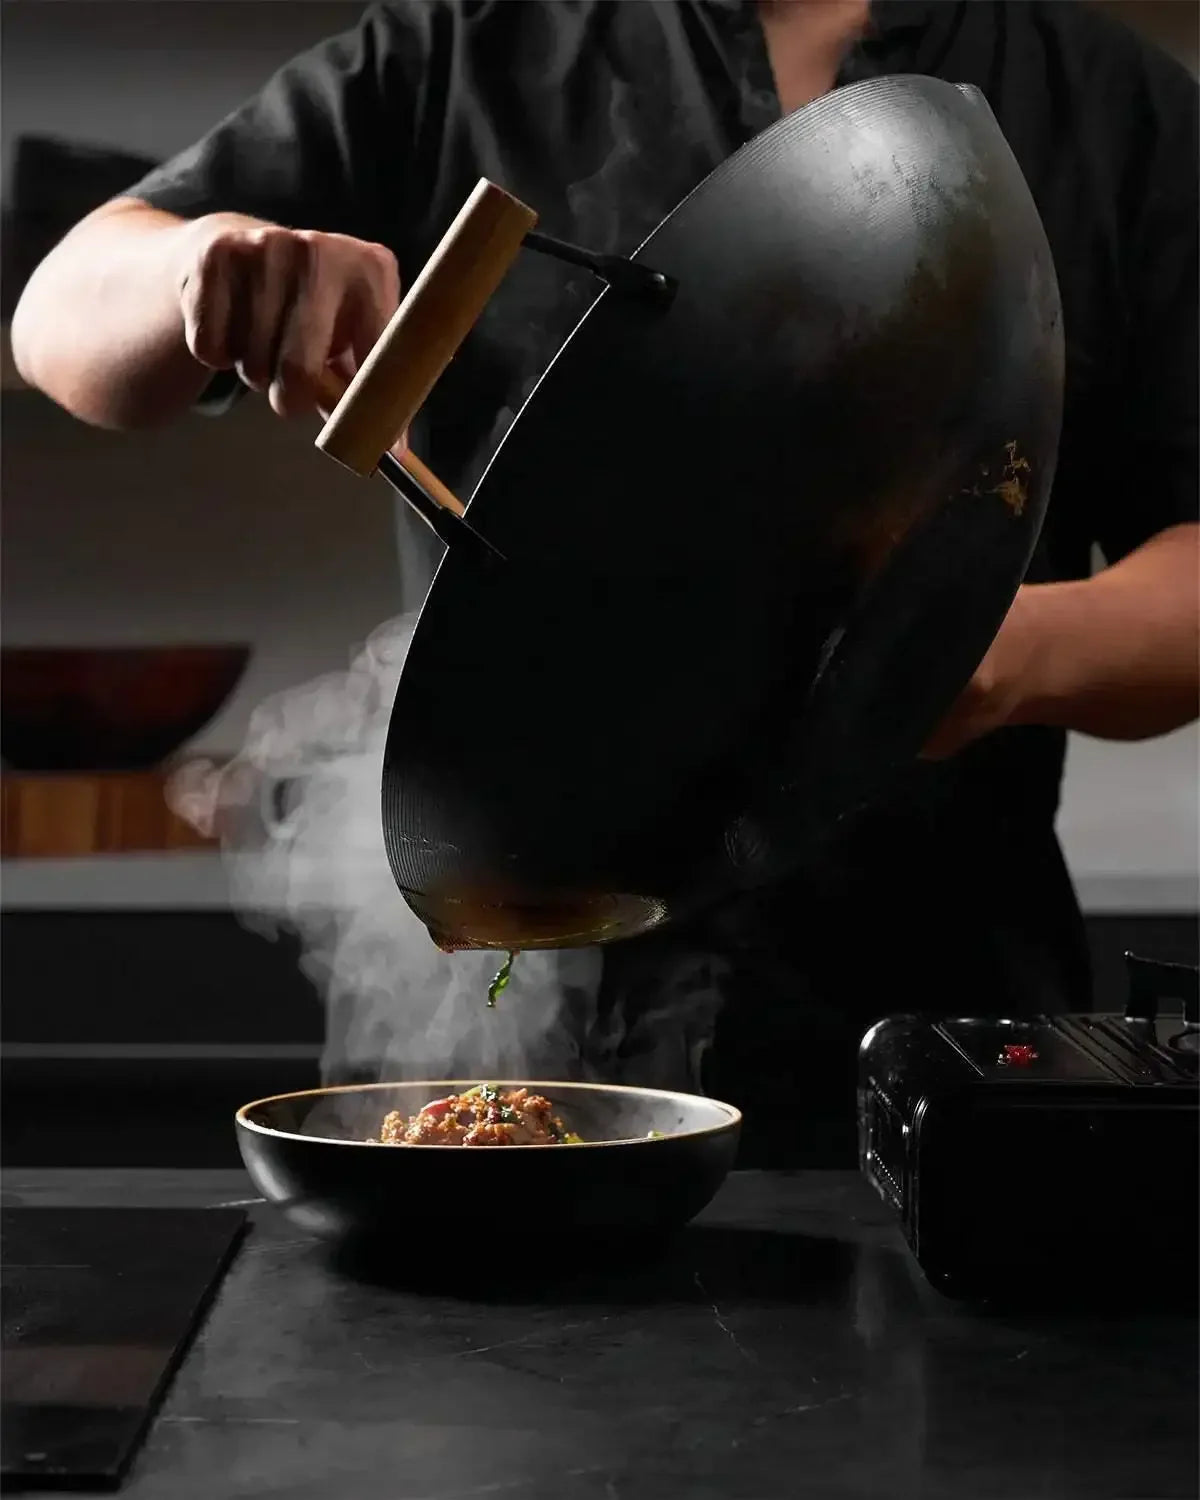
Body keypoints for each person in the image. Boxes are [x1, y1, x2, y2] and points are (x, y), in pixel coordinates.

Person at [12, 0, 1198, 1163]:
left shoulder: (1108, 99)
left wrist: (992, 655)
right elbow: (57, 316)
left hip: (946, 1042)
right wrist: (194, 265)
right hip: (545, 1031)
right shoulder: (459, 55)